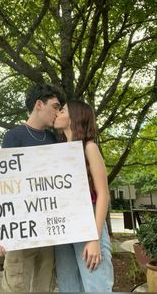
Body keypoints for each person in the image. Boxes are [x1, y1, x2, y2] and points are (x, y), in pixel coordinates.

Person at [0, 83, 64, 292]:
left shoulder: (53, 139)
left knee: (44, 285)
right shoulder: (14, 136)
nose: (58, 112)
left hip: (48, 229)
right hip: (19, 230)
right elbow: (3, 187)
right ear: (39, 104)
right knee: (16, 285)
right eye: (55, 106)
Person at [53, 99, 114, 292]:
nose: (57, 113)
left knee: (97, 286)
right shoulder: (59, 152)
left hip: (88, 221)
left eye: (62, 110)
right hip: (64, 227)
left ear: (75, 117)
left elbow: (104, 194)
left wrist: (94, 238)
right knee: (68, 286)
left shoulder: (89, 148)